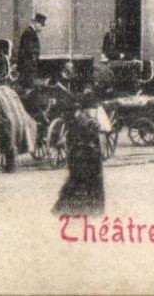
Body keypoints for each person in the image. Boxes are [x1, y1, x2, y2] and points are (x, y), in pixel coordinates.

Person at [52, 87, 106, 216]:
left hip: (81, 151)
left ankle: (69, 209)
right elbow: (105, 127)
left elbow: (67, 132)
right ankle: (91, 210)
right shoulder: (89, 113)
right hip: (86, 151)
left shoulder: (78, 114)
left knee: (77, 181)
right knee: (87, 182)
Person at [18, 13, 45, 84]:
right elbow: (29, 49)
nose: (41, 28)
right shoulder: (29, 33)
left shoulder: (30, 32)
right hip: (27, 65)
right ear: (36, 23)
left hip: (28, 65)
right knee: (28, 85)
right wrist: (35, 57)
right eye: (41, 25)